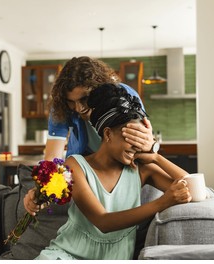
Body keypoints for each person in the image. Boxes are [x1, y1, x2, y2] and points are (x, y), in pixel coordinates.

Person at [34, 83, 191, 260]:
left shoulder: (142, 169)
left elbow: (196, 191)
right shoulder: (76, 166)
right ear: (108, 134)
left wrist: (156, 157)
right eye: (130, 138)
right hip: (65, 257)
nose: (136, 145)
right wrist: (162, 202)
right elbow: (103, 221)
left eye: (139, 139)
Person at [24, 56, 156, 214]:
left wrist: (151, 145)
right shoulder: (60, 108)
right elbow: (52, 157)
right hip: (84, 168)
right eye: (71, 101)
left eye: (84, 99)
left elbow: (142, 144)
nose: (79, 108)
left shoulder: (123, 96)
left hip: (121, 166)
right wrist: (43, 190)